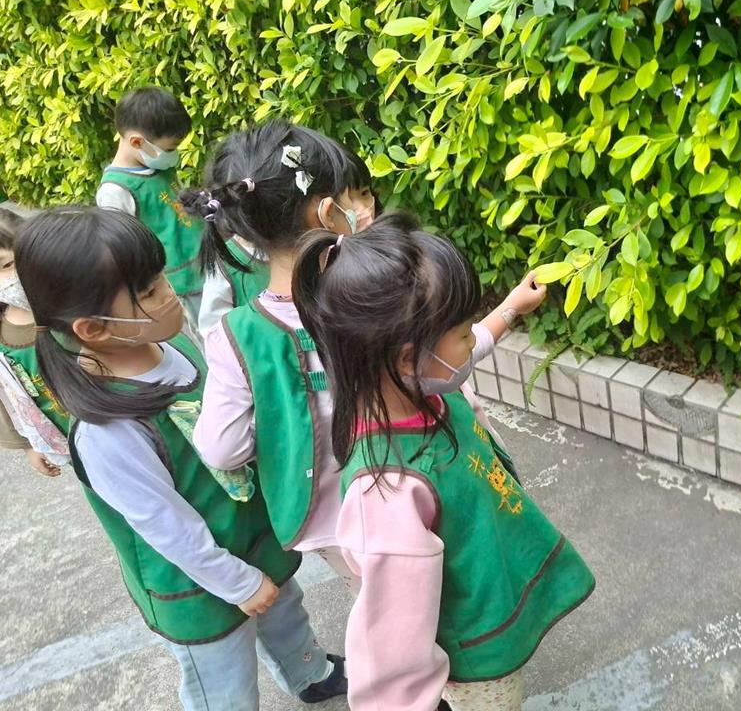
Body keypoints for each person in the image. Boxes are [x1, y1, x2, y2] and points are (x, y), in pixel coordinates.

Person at [15, 207, 346, 711]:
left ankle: (310, 672)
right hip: (198, 581)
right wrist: (236, 582)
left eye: (160, 278)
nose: (170, 293)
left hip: (248, 537)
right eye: (149, 292)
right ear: (94, 328)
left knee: (286, 611)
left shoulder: (168, 344)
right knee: (224, 681)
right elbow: (166, 526)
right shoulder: (107, 431)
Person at [184, 121, 547, 565]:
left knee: (390, 600)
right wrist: (508, 311)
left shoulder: (235, 336)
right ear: (326, 212)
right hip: (429, 486)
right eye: (354, 195)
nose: (368, 204)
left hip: (333, 527)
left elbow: (223, 449)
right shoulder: (382, 292)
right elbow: (449, 364)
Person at [293, 213, 595, 711]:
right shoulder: (387, 490)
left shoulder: (423, 387)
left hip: (491, 584)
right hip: (476, 652)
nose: (473, 340)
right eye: (462, 332)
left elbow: (462, 352)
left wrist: (511, 308)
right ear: (407, 357)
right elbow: (392, 644)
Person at [95, 87, 203, 318]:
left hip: (204, 262)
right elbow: (123, 250)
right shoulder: (116, 191)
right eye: (169, 149)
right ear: (137, 142)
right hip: (181, 281)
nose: (174, 155)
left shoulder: (157, 165)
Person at [0, 207, 69, 475]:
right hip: (70, 442)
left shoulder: (73, 305)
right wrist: (29, 444)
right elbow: (6, 398)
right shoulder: (4, 337)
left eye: (8, 264)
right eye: (4, 268)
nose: (12, 276)